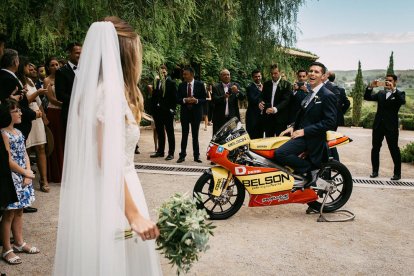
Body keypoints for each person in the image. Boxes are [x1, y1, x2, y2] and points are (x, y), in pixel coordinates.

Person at [53, 17, 162, 275]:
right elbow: (106, 159)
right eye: (137, 49)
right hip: (113, 194)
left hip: (119, 187)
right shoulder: (108, 93)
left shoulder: (109, 91)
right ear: (126, 53)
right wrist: (133, 214)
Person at [274, 62, 337, 188]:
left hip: (312, 138)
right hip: (301, 134)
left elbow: (330, 122)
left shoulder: (327, 95)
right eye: (311, 71)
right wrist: (292, 127)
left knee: (280, 153)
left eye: (316, 72)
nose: (312, 73)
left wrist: (304, 131)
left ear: (323, 76)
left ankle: (310, 171)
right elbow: (303, 115)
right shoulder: (310, 93)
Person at [1, 99, 38, 265]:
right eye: (16, 111)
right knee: (9, 213)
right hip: (11, 176)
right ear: (7, 114)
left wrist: (28, 173)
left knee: (20, 210)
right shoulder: (3, 133)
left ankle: (19, 242)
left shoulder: (19, 132)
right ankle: (6, 249)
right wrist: (23, 172)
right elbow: (7, 160)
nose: (21, 113)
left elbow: (24, 154)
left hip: (23, 175)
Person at [16, 57, 50, 193]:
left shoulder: (30, 81)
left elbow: (37, 101)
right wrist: (37, 92)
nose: (31, 69)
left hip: (37, 115)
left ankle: (44, 180)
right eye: (28, 66)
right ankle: (26, 181)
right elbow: (23, 102)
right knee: (27, 149)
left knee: (41, 147)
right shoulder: (18, 81)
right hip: (27, 115)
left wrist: (45, 117)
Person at [364, 74, 406, 180]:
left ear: (395, 82)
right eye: (386, 80)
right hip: (378, 126)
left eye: (390, 80)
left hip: (391, 127)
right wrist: (370, 87)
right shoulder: (381, 93)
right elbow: (367, 97)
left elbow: (402, 101)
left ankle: (397, 174)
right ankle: (375, 171)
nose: (387, 82)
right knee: (375, 149)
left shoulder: (400, 93)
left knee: (394, 149)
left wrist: (394, 90)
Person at [0, 49, 39, 141]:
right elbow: (13, 104)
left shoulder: (7, 75)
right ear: (15, 62)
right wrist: (33, 114)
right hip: (16, 125)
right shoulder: (8, 78)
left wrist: (22, 92)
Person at [176, 66, 206, 163]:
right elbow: (177, 99)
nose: (184, 76)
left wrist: (196, 100)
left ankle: (196, 156)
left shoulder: (200, 85)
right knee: (184, 134)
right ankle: (182, 155)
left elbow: (204, 99)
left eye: (185, 74)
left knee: (195, 135)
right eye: (183, 74)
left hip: (196, 113)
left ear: (192, 75)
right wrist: (185, 100)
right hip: (185, 113)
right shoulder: (181, 85)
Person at [43, 57, 64, 183]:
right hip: (54, 112)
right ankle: (56, 173)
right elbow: (51, 99)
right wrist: (67, 104)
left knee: (63, 140)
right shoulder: (47, 80)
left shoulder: (63, 78)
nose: (55, 67)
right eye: (52, 65)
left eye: (57, 64)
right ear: (48, 67)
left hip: (63, 112)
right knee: (55, 141)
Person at [150, 65, 177, 160]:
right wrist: (153, 110)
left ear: (167, 72)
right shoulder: (156, 82)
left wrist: (172, 110)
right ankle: (160, 151)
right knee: (160, 132)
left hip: (167, 112)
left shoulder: (171, 82)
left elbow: (174, 98)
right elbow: (154, 97)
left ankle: (171, 153)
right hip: (157, 112)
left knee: (170, 132)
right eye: (160, 72)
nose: (162, 74)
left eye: (164, 72)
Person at [55, 42, 82, 140]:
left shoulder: (86, 70)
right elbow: (60, 95)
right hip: (70, 113)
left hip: (85, 113)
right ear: (69, 54)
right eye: (77, 53)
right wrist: (79, 101)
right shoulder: (61, 72)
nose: (80, 55)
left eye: (82, 53)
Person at [260, 64, 292, 137]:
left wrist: (275, 109)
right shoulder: (266, 84)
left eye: (275, 73)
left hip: (281, 119)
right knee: (268, 140)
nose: (273, 75)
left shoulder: (287, 85)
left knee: (280, 142)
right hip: (268, 118)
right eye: (272, 73)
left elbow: (286, 100)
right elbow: (262, 96)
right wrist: (260, 102)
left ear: (280, 72)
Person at [211, 69, 245, 135]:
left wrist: (237, 91)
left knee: (232, 138)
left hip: (232, 118)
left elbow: (242, 97)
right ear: (220, 77)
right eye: (224, 75)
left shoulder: (235, 85)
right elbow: (214, 100)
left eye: (228, 75)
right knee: (219, 138)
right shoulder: (216, 87)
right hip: (219, 118)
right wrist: (224, 97)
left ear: (230, 76)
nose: (226, 76)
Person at [245, 69, 264, 139]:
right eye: (256, 77)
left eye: (259, 76)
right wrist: (261, 91)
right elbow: (252, 100)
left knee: (260, 137)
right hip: (252, 117)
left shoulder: (265, 86)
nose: (258, 78)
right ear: (253, 78)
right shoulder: (249, 87)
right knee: (252, 137)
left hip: (262, 117)